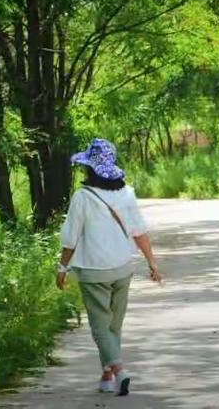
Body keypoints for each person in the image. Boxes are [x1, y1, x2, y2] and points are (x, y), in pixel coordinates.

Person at [55, 138, 161, 396]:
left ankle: (120, 370)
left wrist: (62, 267)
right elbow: (139, 231)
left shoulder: (82, 197)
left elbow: (71, 237)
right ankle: (106, 374)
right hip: (123, 268)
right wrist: (152, 262)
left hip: (93, 271)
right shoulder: (127, 193)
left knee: (101, 327)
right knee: (114, 325)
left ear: (89, 168)